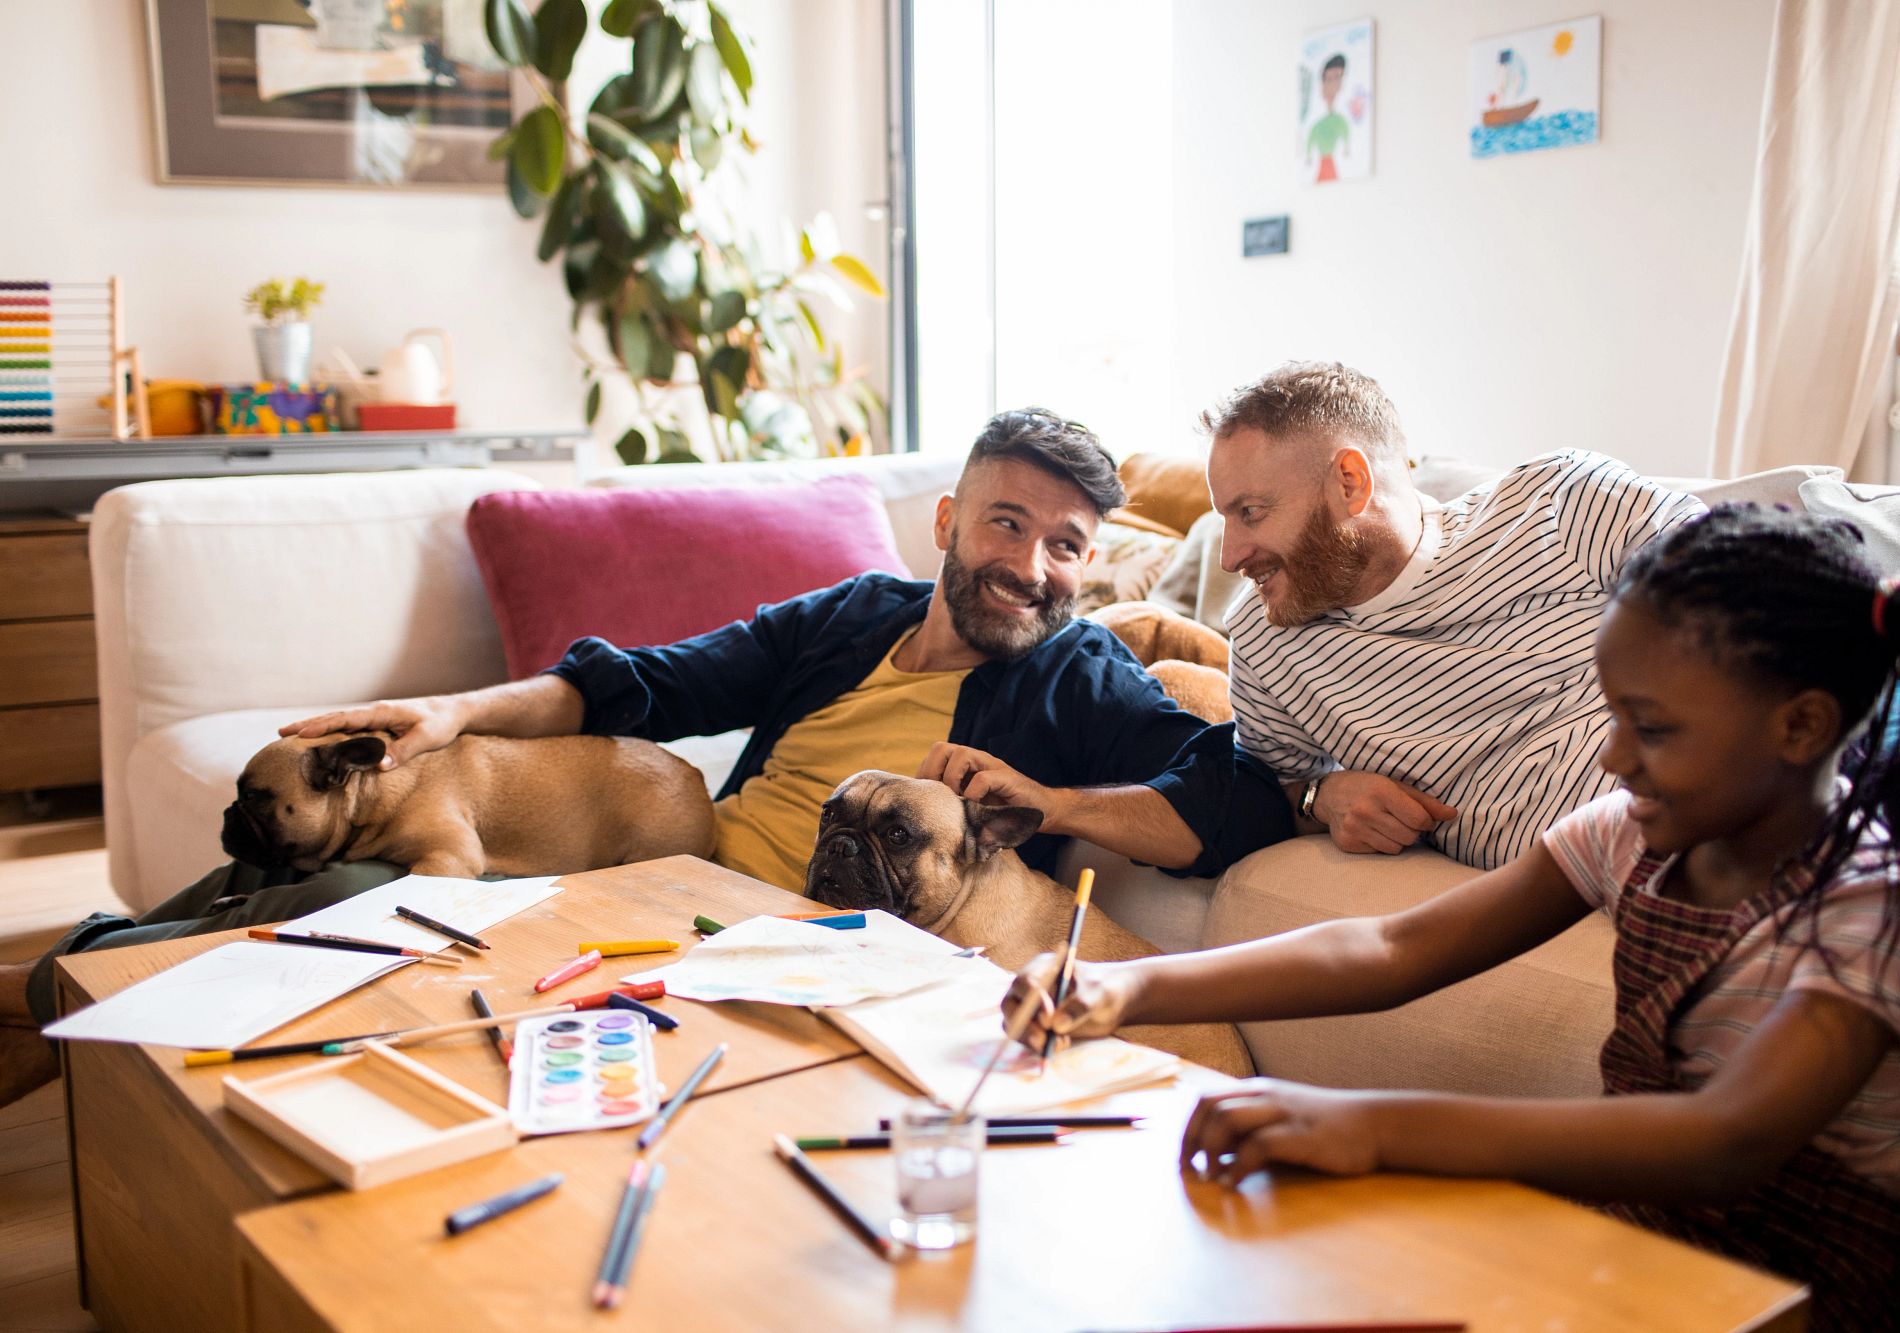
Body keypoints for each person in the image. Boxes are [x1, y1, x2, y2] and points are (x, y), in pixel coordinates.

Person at [0, 410, 1294, 1106]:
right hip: (644, 885)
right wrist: (452, 715)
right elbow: (650, 681)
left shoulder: (1075, 678)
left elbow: (1229, 791)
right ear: (950, 520)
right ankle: (62, 988)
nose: (1034, 565)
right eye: (1009, 523)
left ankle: (54, 1000)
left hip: (783, 957)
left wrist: (1059, 802)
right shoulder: (852, 616)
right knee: (312, 899)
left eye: (1069, 544)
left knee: (349, 913)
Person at [1003, 505, 1900, 1332]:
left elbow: (1721, 1139)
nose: (1611, 758)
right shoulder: (1627, 834)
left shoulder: (1879, 904)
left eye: (1650, 727)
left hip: (1780, 1298)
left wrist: (1372, 1126)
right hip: (1618, 1238)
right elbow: (1392, 947)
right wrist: (1126, 985)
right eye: (1610, 715)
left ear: (1799, 725)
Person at [1209, 360, 1704, 870]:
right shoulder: (1262, 636)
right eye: (1223, 518)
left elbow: (1755, 597)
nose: (1229, 557)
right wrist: (1323, 795)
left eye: (1250, 513)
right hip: (1605, 877)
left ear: (1351, 482)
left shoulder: (1561, 501)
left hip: (1725, 814)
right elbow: (1267, 796)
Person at [1305, 54, 1350, 182]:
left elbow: (1345, 134)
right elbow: (1310, 140)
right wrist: (1308, 156)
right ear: (1322, 83)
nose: (1335, 84)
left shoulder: (1341, 121)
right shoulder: (1317, 124)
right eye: (1329, 79)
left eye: (1338, 78)